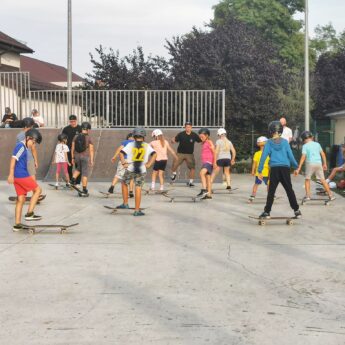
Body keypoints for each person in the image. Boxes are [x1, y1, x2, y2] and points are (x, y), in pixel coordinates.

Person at [257, 121, 301, 219]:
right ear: (280, 130)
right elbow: (290, 156)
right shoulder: (285, 142)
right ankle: (297, 211)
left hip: (275, 169)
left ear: (271, 131)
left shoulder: (268, 143)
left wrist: (260, 170)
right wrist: (296, 166)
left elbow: (263, 157)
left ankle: (267, 212)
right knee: (289, 190)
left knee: (271, 191)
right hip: (285, 169)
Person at [7, 128, 43, 231]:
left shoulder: (24, 147)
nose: (33, 144)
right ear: (27, 138)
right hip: (21, 174)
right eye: (33, 142)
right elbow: (13, 159)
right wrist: (10, 174)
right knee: (38, 190)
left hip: (18, 176)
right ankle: (29, 213)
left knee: (21, 199)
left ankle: (17, 224)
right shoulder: (21, 147)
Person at [118, 128, 157, 216]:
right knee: (138, 188)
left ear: (134, 136)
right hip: (142, 169)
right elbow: (155, 154)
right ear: (143, 137)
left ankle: (125, 203)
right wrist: (149, 164)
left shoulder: (131, 144)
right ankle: (137, 210)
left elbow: (121, 153)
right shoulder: (147, 145)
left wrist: (124, 162)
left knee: (124, 183)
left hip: (131, 168)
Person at [295, 131, 335, 201]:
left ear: (303, 139)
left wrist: (299, 167)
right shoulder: (317, 144)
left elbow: (303, 157)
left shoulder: (305, 146)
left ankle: (308, 196)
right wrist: (325, 164)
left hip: (310, 163)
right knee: (323, 180)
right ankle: (330, 195)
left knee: (307, 179)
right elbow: (323, 154)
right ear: (312, 137)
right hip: (318, 163)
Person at [171, 122, 201, 187]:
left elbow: (200, 140)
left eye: (189, 127)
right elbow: (174, 140)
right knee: (174, 165)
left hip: (189, 154)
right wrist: (172, 140)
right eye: (187, 127)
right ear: (185, 127)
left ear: (191, 127)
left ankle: (190, 182)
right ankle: (174, 173)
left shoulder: (194, 135)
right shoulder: (181, 134)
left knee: (192, 168)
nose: (188, 128)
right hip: (180, 153)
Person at [70, 122, 94, 196]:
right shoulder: (89, 138)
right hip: (85, 157)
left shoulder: (76, 136)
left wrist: (72, 158)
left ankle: (73, 180)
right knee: (85, 173)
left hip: (77, 156)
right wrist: (92, 160)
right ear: (88, 129)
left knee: (78, 168)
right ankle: (84, 189)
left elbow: (72, 148)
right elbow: (91, 150)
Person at [108, 133, 135, 197]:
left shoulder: (125, 142)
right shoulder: (136, 143)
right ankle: (131, 191)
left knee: (118, 174)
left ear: (128, 137)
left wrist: (114, 157)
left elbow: (119, 149)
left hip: (124, 160)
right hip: (132, 161)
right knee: (132, 177)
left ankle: (112, 187)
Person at [197, 128, 216, 199]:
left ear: (207, 135)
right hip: (206, 162)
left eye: (202, 137)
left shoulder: (209, 142)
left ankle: (204, 190)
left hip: (209, 162)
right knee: (208, 178)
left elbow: (214, 152)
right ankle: (209, 194)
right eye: (200, 137)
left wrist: (215, 162)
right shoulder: (205, 143)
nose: (201, 138)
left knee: (201, 173)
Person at [62, 115, 82, 184]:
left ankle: (77, 182)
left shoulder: (80, 128)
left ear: (76, 120)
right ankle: (70, 181)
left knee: (78, 167)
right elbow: (63, 139)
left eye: (74, 121)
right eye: (71, 122)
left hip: (78, 151)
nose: (72, 123)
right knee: (69, 166)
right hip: (68, 150)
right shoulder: (66, 129)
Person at [249, 136, 270, 202]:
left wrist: (253, 171)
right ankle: (270, 195)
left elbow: (254, 163)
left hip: (259, 172)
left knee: (256, 184)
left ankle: (253, 195)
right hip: (266, 172)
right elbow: (271, 163)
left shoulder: (257, 153)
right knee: (269, 184)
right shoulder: (269, 153)